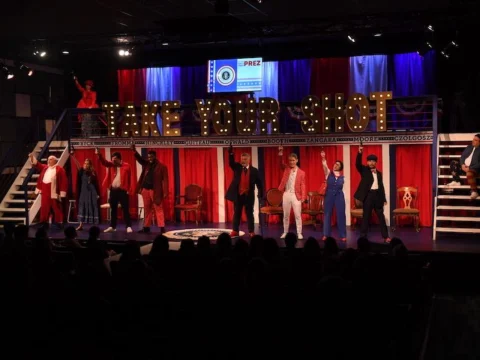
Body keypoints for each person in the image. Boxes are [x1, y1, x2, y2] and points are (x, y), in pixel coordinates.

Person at [354, 145, 391, 243]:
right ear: (367, 162)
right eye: (369, 161)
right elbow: (357, 164)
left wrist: (384, 199)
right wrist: (360, 153)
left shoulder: (379, 173)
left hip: (377, 197)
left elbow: (381, 186)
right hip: (368, 196)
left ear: (375, 162)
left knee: (381, 217)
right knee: (366, 217)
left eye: (373, 161)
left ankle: (386, 236)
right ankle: (363, 236)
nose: (371, 162)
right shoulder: (364, 170)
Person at [225, 144, 263, 237]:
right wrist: (231, 153)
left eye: (245, 159)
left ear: (249, 160)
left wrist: (260, 193)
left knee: (250, 214)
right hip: (238, 195)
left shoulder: (254, 170)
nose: (243, 161)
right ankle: (235, 231)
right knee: (237, 213)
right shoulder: (237, 167)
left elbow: (259, 183)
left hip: (249, 195)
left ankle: (251, 231)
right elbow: (231, 163)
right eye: (242, 159)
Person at [130, 144, 169, 233]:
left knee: (158, 208)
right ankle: (146, 227)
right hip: (145, 190)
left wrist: (166, 191)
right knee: (147, 209)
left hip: (155, 191)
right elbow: (140, 159)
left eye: (151, 157)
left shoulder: (162, 167)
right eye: (149, 157)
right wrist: (134, 151)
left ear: (155, 156)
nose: (150, 158)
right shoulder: (146, 164)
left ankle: (162, 227)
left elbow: (166, 180)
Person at [96, 148, 133, 233]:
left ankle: (128, 226)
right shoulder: (111, 165)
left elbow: (131, 178)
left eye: (115, 159)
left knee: (125, 209)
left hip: (123, 191)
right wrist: (99, 155)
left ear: (119, 159)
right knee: (113, 209)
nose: (113, 161)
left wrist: (129, 189)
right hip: (113, 191)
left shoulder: (127, 166)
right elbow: (104, 162)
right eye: (112, 159)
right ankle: (113, 226)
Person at [28, 153, 68, 227]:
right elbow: (38, 165)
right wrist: (32, 157)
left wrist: (62, 192)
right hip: (45, 189)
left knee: (56, 206)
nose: (49, 161)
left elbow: (64, 181)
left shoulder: (60, 169)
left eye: (51, 159)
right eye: (48, 159)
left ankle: (59, 221)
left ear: (55, 161)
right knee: (44, 206)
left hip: (54, 190)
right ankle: (43, 221)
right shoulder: (45, 167)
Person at [278, 146, 306, 239]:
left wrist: (303, 197)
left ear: (297, 160)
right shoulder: (286, 168)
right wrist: (281, 154)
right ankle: (285, 232)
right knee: (286, 215)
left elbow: (303, 185)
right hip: (286, 194)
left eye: (293, 160)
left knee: (298, 215)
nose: (291, 162)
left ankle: (299, 233)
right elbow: (280, 163)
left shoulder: (301, 172)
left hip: (296, 195)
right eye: (290, 160)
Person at [70, 150, 100, 231]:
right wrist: (73, 156)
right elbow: (77, 164)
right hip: (83, 192)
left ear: (90, 165)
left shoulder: (93, 172)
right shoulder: (81, 171)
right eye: (85, 163)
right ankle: (80, 225)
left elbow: (96, 184)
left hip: (91, 192)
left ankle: (93, 226)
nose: (85, 165)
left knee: (92, 207)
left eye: (87, 163)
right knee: (82, 207)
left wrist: (97, 194)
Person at [321, 150, 346, 242]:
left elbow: (344, 189)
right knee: (327, 215)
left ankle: (343, 235)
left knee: (341, 215)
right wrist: (323, 157)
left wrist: (344, 199)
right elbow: (324, 166)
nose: (335, 165)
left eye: (338, 164)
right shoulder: (328, 173)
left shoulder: (343, 177)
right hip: (329, 195)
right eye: (335, 164)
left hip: (339, 196)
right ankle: (326, 234)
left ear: (341, 168)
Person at [447, 133, 480, 199]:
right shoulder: (469, 147)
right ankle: (457, 181)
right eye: (473, 139)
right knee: (453, 162)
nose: (473, 141)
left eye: (476, 140)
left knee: (469, 173)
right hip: (464, 167)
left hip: (475, 169)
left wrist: (470, 168)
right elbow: (462, 157)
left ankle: (474, 191)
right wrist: (462, 165)